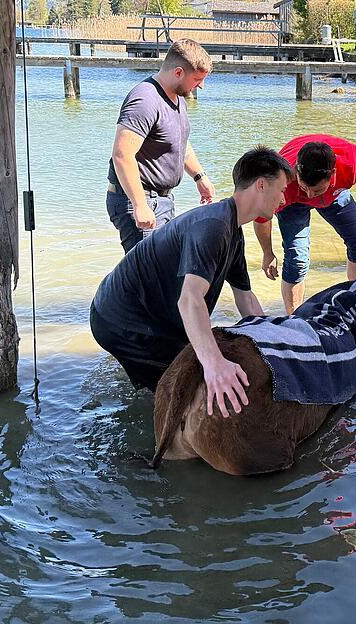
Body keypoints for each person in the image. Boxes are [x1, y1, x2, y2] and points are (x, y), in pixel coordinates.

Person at [90, 146, 293, 417]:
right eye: (281, 190)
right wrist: (215, 365)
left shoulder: (232, 231)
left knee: (188, 363)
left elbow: (245, 299)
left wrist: (277, 341)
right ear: (260, 186)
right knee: (179, 398)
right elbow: (190, 300)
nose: (283, 200)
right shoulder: (213, 227)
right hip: (122, 319)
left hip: (146, 315)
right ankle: (140, 449)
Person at [252, 134, 356, 314]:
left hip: (334, 194)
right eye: (306, 188)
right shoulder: (281, 179)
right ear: (296, 171)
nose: (310, 196)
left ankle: (355, 307)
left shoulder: (353, 162)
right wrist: (267, 252)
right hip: (292, 202)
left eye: (316, 189)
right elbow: (261, 216)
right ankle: (295, 318)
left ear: (333, 173)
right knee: (297, 259)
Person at [106, 39, 219, 253]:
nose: (201, 86)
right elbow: (122, 155)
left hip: (163, 200)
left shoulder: (177, 98)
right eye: (197, 79)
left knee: (165, 270)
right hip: (140, 199)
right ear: (178, 72)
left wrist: (199, 177)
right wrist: (140, 205)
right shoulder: (145, 100)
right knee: (148, 277)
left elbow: (180, 143)